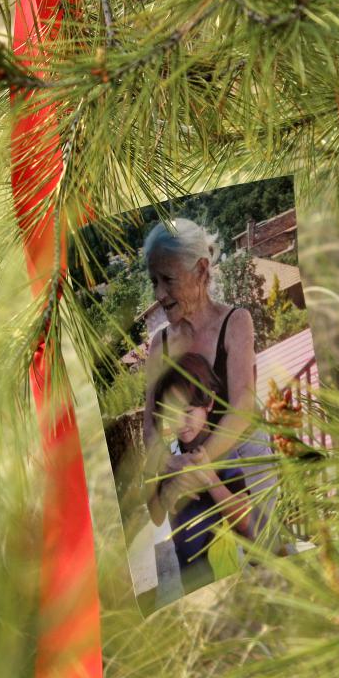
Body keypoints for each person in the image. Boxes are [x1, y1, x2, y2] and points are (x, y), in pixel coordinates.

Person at [140, 218, 259, 509]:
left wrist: (199, 465)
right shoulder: (160, 345)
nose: (159, 294)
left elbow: (244, 404)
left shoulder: (236, 322)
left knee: (265, 546)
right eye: (154, 282)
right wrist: (172, 464)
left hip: (245, 457)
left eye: (168, 280)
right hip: (190, 471)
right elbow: (150, 428)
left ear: (202, 270)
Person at [147, 352, 267, 591]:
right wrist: (167, 493)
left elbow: (244, 521)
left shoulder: (223, 453)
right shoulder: (170, 455)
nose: (179, 424)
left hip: (229, 573)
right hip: (191, 578)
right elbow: (156, 516)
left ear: (209, 403)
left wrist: (209, 477)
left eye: (188, 412)